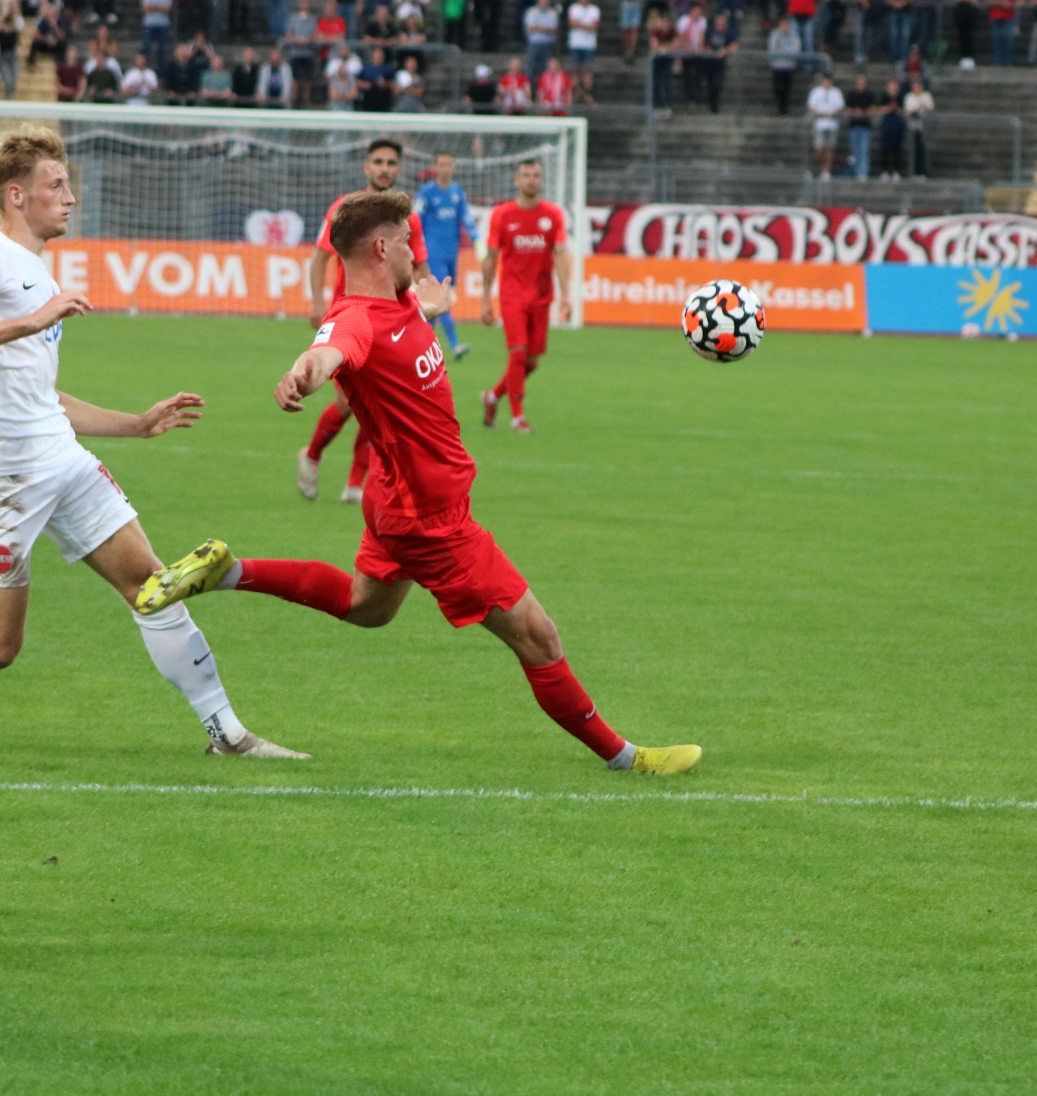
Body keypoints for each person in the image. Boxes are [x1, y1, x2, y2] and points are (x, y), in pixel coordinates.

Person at [134, 193, 700, 777]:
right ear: (382, 247)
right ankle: (625, 758)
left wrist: (429, 307)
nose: (416, 252)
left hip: (394, 496)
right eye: (407, 240)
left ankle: (227, 570)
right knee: (538, 636)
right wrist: (305, 372)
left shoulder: (400, 302)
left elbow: (392, 330)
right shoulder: (355, 319)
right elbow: (333, 349)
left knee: (366, 608)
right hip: (432, 521)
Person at [0, 131, 302, 760]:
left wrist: (136, 423)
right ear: (17, 195)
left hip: (60, 460)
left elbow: (43, 397)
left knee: (154, 585)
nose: (71, 197)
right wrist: (35, 319)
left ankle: (226, 734)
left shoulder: (36, 270)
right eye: (56, 186)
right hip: (2, 473)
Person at [300, 139, 432, 503]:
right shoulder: (345, 210)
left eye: (391, 162)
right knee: (347, 405)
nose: (385, 168)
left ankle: (355, 484)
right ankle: (311, 454)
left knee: (380, 405)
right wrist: (316, 302)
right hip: (353, 320)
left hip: (395, 322)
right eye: (378, 161)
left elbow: (419, 266)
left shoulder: (410, 219)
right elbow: (320, 257)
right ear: (366, 167)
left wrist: (427, 306)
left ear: (399, 169)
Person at [480, 159, 569, 435]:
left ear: (541, 180)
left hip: (542, 296)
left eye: (536, 175)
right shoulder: (502, 215)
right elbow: (491, 258)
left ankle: (492, 396)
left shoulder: (552, 215)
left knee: (531, 362)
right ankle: (517, 416)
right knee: (518, 353)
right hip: (512, 295)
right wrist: (485, 298)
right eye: (526, 175)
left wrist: (567, 296)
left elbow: (561, 254)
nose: (531, 180)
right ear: (516, 180)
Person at [414, 152, 480, 359]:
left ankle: (418, 344)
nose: (444, 168)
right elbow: (416, 221)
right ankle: (455, 345)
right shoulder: (426, 193)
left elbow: (467, 219)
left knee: (436, 305)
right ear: (434, 168)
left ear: (453, 167)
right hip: (432, 255)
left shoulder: (457, 192)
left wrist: (477, 240)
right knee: (442, 298)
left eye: (447, 164)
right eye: (440, 164)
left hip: (452, 253)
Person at [807, 71, 845, 179]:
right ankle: (824, 166)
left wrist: (831, 113)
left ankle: (826, 170)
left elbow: (839, 107)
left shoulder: (836, 92)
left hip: (832, 123)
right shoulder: (816, 92)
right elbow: (812, 107)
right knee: (819, 148)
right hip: (820, 124)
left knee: (830, 148)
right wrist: (822, 113)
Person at [768, 13, 801, 113]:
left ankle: (784, 108)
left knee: (787, 89)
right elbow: (772, 49)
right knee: (778, 88)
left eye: (786, 25)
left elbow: (796, 50)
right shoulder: (775, 35)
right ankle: (779, 105)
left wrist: (784, 51)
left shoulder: (794, 36)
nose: (785, 27)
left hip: (789, 66)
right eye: (783, 24)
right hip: (777, 66)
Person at [845, 71, 875, 179]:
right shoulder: (852, 94)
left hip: (865, 125)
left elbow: (872, 108)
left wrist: (863, 112)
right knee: (854, 150)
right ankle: (854, 170)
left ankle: (863, 172)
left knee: (864, 149)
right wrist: (855, 112)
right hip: (854, 125)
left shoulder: (869, 94)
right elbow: (847, 108)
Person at [904, 77, 933, 177]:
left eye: (918, 85)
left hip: (924, 128)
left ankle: (921, 172)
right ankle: (913, 172)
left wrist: (922, 106)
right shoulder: (909, 96)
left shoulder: (926, 95)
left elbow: (930, 108)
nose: (917, 87)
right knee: (913, 151)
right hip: (912, 128)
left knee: (922, 151)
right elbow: (909, 110)